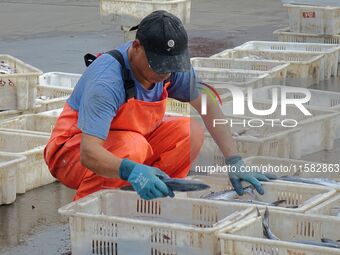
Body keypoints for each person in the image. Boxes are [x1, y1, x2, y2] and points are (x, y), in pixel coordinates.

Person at [44, 10, 275, 201]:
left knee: (189, 132)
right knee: (133, 147)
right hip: (72, 153)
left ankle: (158, 199)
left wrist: (234, 160)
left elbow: (206, 102)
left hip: (128, 143)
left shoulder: (169, 68)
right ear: (136, 47)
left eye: (170, 67)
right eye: (157, 66)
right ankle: (95, 211)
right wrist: (131, 170)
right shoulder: (107, 80)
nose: (164, 73)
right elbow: (89, 153)